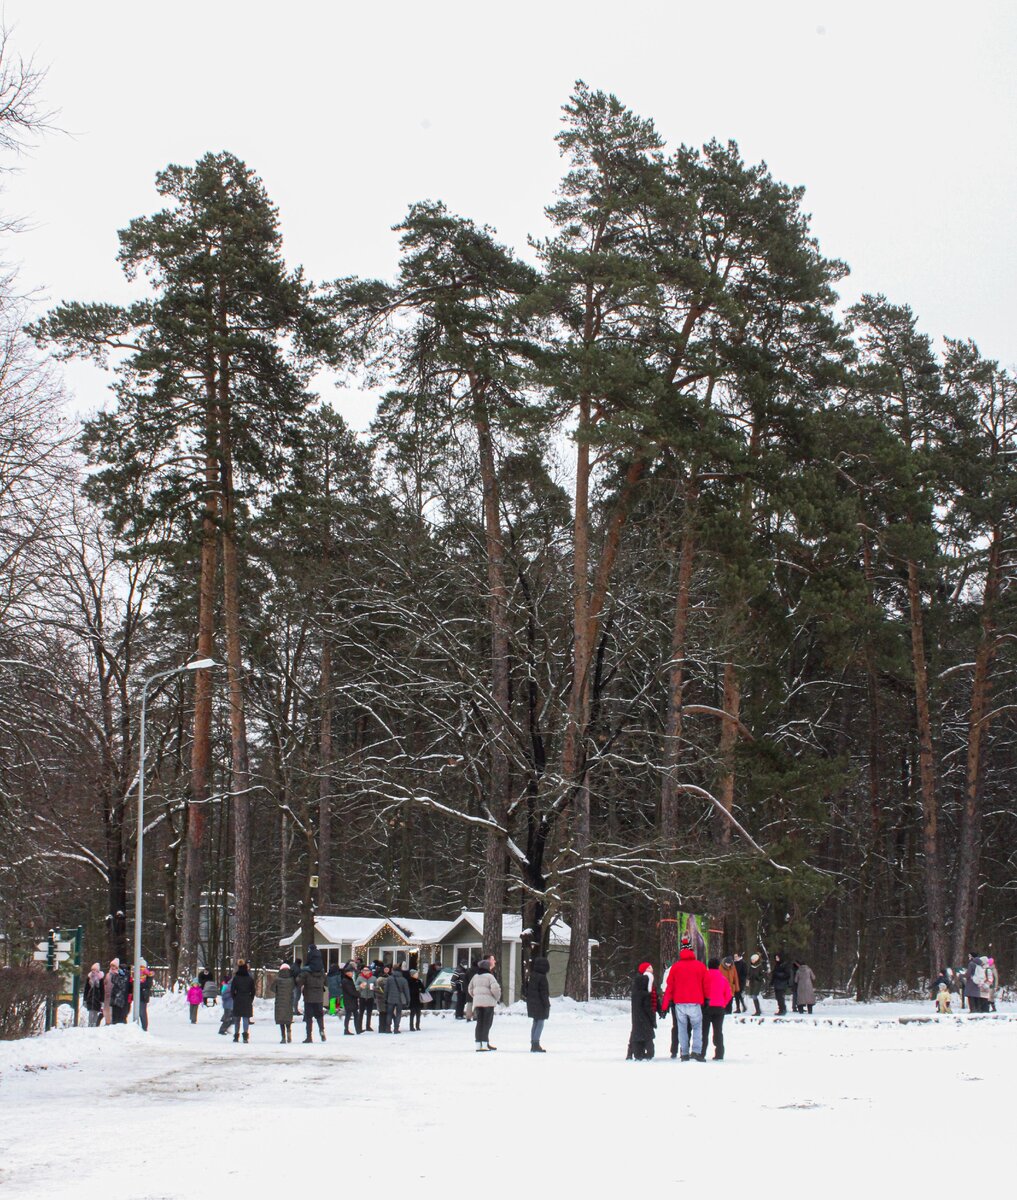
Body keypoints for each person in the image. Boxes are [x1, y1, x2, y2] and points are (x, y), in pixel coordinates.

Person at [660, 936, 709, 1061]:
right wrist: (707, 999)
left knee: (681, 1028)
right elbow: (706, 985)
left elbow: (669, 987)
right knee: (697, 1027)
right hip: (695, 1002)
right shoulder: (700, 966)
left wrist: (664, 1006)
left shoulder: (675, 967)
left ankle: (685, 1053)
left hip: (679, 1003)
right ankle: (696, 1052)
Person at [468, 956, 501, 1051]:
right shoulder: (490, 976)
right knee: (487, 1024)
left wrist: (476, 996)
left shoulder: (475, 976)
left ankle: (478, 1044)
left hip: (478, 1003)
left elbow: (470, 989)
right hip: (488, 1003)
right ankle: (485, 1044)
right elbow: (496, 989)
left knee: (479, 1023)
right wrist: (496, 998)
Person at [704, 957, 733, 1060]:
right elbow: (729, 994)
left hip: (706, 1006)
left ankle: (702, 1052)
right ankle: (719, 1053)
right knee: (718, 1031)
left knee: (704, 1031)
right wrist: (723, 1004)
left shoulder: (705, 977)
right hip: (720, 1007)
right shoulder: (723, 978)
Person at [628, 961, 657, 1060]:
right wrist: (653, 1019)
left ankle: (632, 1053)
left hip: (637, 1017)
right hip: (645, 1018)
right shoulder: (647, 987)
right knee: (647, 1037)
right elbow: (648, 1005)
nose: (652, 969)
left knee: (635, 1033)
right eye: (649, 968)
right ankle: (644, 1054)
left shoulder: (637, 987)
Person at [300, 945, 327, 1042]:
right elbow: (326, 982)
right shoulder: (321, 971)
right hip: (319, 997)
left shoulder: (306, 971)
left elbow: (299, 982)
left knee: (308, 1017)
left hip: (309, 997)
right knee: (319, 1016)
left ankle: (309, 1036)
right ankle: (322, 1031)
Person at [525, 956, 550, 1052]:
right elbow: (544, 992)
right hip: (540, 1003)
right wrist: (547, 1004)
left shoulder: (532, 975)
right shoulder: (542, 978)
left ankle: (533, 1042)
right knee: (540, 1022)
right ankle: (536, 1043)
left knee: (535, 1022)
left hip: (531, 1002)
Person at [230, 960, 256, 1043]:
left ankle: (236, 1036)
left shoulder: (236, 978)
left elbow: (232, 990)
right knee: (245, 1018)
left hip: (238, 999)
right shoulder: (250, 979)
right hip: (247, 999)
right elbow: (253, 991)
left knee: (237, 1019)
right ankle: (245, 1036)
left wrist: (235, 997)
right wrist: (250, 998)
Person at [385, 961, 411, 1033]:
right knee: (398, 1014)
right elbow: (406, 991)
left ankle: (388, 1028)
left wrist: (385, 998)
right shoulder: (403, 980)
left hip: (390, 998)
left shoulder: (389, 979)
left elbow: (386, 990)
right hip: (400, 999)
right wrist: (408, 1000)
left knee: (389, 1013)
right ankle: (396, 1028)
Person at [273, 963, 295, 1043]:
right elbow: (294, 987)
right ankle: (289, 1031)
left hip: (279, 1002)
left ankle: (283, 1037)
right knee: (288, 1019)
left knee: (281, 1020)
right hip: (288, 1002)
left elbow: (272, 989)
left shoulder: (277, 979)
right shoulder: (291, 980)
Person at [341, 965, 361, 1034]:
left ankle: (358, 1029)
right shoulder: (346, 980)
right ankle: (346, 1030)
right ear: (346, 973)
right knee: (349, 1015)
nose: (351, 973)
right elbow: (350, 991)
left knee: (355, 1015)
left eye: (352, 972)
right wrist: (358, 994)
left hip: (351, 1000)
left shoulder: (348, 979)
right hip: (349, 1000)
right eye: (350, 972)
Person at [357, 966, 376, 1030]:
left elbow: (377, 986)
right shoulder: (360, 978)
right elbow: (355, 986)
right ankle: (359, 1026)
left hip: (370, 997)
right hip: (362, 997)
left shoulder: (373, 978)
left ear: (369, 971)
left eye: (366, 970)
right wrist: (360, 986)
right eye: (364, 970)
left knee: (369, 1013)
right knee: (361, 1012)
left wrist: (374, 988)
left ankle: (368, 1026)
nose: (365, 971)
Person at [374, 965, 391, 1033]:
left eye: (388, 969)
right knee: (383, 1014)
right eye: (385, 969)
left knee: (384, 1014)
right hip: (382, 999)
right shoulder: (380, 978)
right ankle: (383, 1028)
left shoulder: (389, 977)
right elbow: (375, 989)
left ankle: (382, 1028)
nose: (386, 970)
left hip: (383, 999)